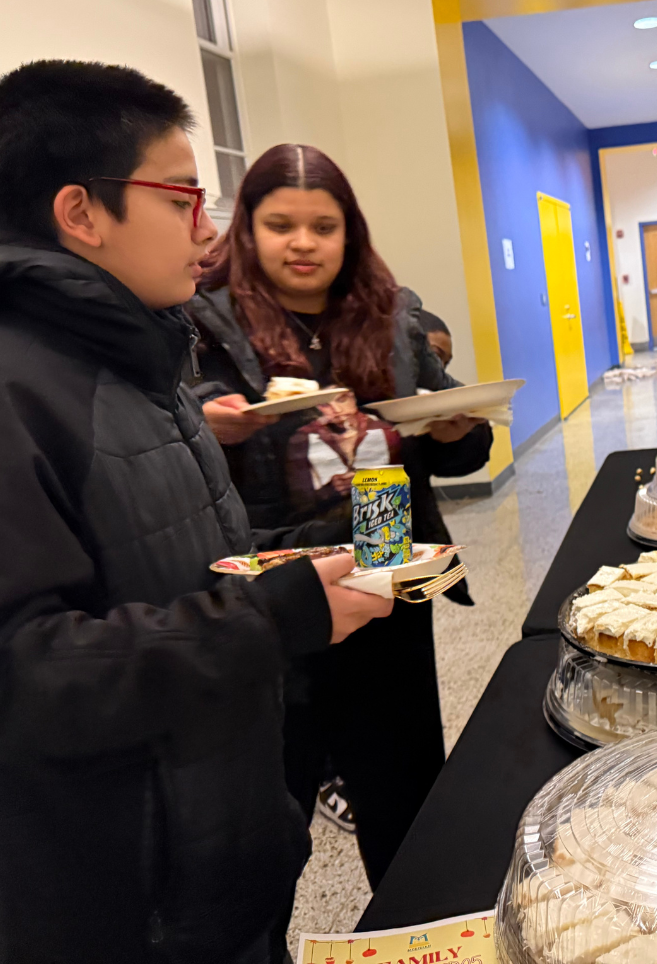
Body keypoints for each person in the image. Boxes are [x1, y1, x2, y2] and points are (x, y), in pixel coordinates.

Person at [0, 62, 391, 962]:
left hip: (219, 858)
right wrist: (276, 617)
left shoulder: (139, 359)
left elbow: (183, 563)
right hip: (127, 905)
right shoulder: (21, 388)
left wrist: (308, 560)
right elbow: (28, 674)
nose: (207, 233)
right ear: (80, 212)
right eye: (183, 199)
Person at [186, 144, 492, 898]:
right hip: (276, 589)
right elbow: (165, 447)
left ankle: (412, 927)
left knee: (407, 796)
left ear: (349, 233)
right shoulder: (199, 326)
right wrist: (207, 430)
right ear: (246, 231)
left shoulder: (389, 319)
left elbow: (460, 441)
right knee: (270, 811)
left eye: (324, 226)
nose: (303, 242)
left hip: (389, 574)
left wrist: (459, 431)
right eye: (280, 223)